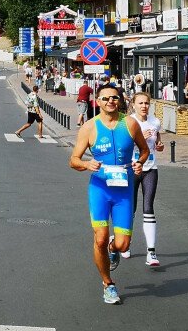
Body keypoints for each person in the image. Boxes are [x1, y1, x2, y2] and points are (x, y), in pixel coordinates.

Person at [69, 85, 149, 305]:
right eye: (105, 98)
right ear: (98, 101)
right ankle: (108, 284)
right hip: (100, 190)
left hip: (124, 191)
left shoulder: (130, 124)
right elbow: (73, 159)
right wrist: (86, 164)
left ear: (120, 100)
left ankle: (114, 249)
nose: (110, 101)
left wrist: (139, 163)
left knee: (123, 245)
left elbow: (144, 150)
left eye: (114, 97)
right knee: (100, 238)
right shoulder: (89, 127)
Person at [128, 92, 163, 267]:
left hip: (150, 168)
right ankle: (125, 243)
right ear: (133, 104)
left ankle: (151, 252)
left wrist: (158, 145)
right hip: (133, 168)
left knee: (148, 206)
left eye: (147, 103)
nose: (144, 106)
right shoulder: (128, 123)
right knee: (131, 207)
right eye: (140, 103)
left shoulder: (155, 122)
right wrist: (142, 137)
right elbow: (124, 146)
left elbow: (157, 141)